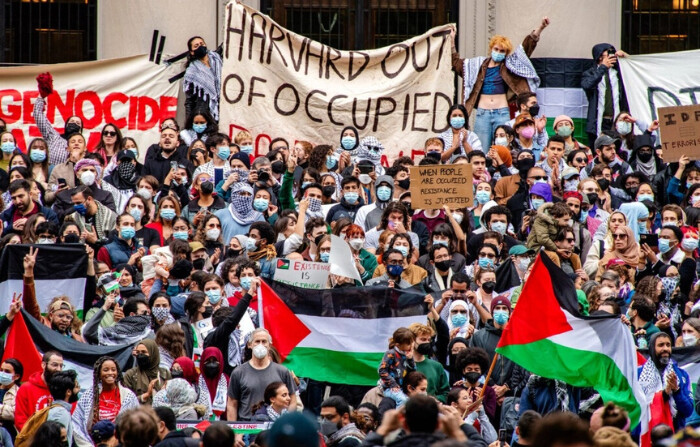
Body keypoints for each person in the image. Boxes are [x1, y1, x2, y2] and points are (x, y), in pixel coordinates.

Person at [450, 19, 549, 149]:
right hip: (482, 113)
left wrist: (540, 27)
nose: (498, 52)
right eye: (496, 49)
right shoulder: (477, 65)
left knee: (505, 147)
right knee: (481, 148)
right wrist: (451, 41)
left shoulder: (510, 65)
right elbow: (456, 63)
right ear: (491, 49)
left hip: (502, 112)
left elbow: (527, 47)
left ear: (506, 53)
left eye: (502, 51)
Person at [227, 326, 297, 422]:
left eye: (264, 342)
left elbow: (293, 400)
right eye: (257, 341)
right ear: (249, 345)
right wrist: (235, 432)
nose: (260, 345)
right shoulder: (238, 372)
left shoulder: (282, 371)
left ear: (269, 345)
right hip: (247, 428)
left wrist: (286, 423)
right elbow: (232, 404)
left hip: (274, 426)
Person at [72, 356, 138, 446]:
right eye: (106, 370)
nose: (110, 373)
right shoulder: (88, 396)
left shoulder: (128, 396)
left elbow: (137, 424)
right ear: (99, 373)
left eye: (113, 370)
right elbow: (77, 424)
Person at [638, 332, 693, 430]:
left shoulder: (681, 375)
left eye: (668, 345)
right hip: (646, 432)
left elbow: (688, 411)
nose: (665, 349)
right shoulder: (639, 374)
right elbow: (636, 407)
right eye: (660, 345)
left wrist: (676, 390)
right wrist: (664, 394)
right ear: (651, 348)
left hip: (674, 434)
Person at [581, 43, 628, 144]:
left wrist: (625, 59)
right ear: (599, 57)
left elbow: (634, 76)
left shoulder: (618, 72)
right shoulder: (590, 73)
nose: (610, 56)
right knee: (599, 149)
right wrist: (603, 67)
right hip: (598, 121)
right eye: (607, 53)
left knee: (617, 149)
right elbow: (587, 85)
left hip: (616, 120)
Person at [15, 351, 63, 431]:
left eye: (61, 366)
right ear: (43, 365)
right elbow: (20, 420)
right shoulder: (26, 388)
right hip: (32, 440)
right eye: (55, 365)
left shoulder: (63, 389)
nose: (58, 369)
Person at [183, 36, 222, 122]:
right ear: (192, 52)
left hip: (224, 108)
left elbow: (228, 43)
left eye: (202, 44)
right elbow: (189, 101)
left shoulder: (217, 58)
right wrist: (189, 123)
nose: (200, 46)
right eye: (196, 46)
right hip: (206, 115)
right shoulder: (191, 72)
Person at [122, 339, 172, 405]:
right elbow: (125, 402)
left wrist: (164, 393)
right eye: (138, 352)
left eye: (143, 352)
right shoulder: (131, 375)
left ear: (153, 353)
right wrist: (146, 395)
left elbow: (173, 397)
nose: (140, 355)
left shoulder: (164, 373)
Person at [408, 323, 449, 403]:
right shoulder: (403, 365)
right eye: (423, 339)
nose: (427, 342)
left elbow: (445, 393)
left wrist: (434, 399)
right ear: (412, 341)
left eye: (428, 340)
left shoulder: (436, 366)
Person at [377, 327, 415, 407]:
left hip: (402, 387)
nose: (411, 345)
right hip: (389, 387)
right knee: (403, 400)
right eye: (408, 343)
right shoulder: (391, 354)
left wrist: (411, 359)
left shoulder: (406, 354)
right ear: (398, 344)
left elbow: (413, 372)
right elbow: (381, 370)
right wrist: (392, 384)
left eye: (412, 342)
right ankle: (397, 419)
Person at [46, 370, 80, 447]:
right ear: (68, 392)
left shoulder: (56, 409)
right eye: (76, 387)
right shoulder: (61, 413)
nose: (78, 390)